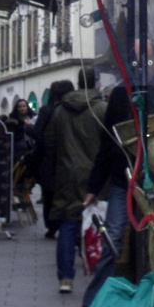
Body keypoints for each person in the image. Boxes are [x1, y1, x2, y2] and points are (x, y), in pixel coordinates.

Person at [44, 67, 107, 293]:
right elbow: (110, 143)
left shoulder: (61, 111)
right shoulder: (101, 109)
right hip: (95, 175)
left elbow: (50, 142)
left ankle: (65, 278)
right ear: (96, 83)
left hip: (67, 173)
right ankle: (98, 271)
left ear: (79, 82)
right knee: (98, 223)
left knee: (68, 224)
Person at [79, 84, 132, 307]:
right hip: (123, 178)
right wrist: (94, 185)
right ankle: (91, 305)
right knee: (112, 239)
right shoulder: (121, 94)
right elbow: (109, 142)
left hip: (150, 178)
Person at [32, 79, 74, 239]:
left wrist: (28, 128)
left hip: (49, 158)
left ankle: (51, 225)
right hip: (69, 155)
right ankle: (65, 223)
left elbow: (38, 133)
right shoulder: (72, 109)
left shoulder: (47, 110)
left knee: (49, 193)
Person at [5, 98, 35, 164]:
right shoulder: (12, 120)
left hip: (32, 147)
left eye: (24, 106)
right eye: (20, 107)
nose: (22, 108)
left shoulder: (33, 118)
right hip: (18, 149)